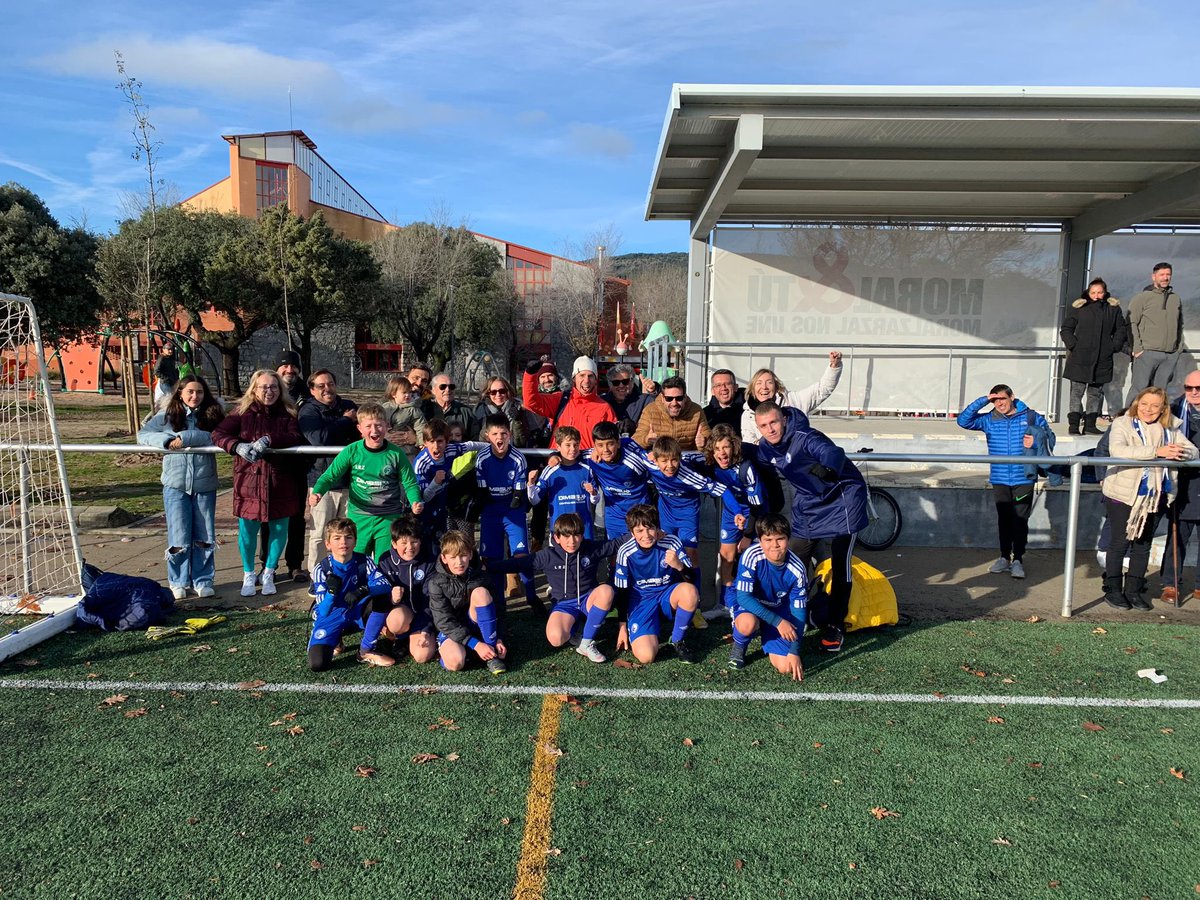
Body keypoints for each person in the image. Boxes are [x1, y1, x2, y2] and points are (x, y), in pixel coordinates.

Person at [754, 401, 867, 654]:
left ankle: (835, 625)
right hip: (809, 502)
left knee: (840, 561)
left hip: (843, 496)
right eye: (763, 425)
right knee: (791, 556)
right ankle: (786, 613)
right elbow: (754, 460)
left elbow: (832, 452)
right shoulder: (765, 448)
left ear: (783, 419)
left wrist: (828, 468)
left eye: (773, 422)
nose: (770, 429)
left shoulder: (805, 437)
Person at [212, 369, 308, 598]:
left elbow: (295, 436)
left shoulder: (288, 413)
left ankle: (269, 571)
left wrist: (270, 440)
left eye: (273, 387)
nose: (269, 391)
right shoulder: (241, 412)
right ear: (254, 388)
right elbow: (218, 434)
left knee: (279, 528)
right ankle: (248, 572)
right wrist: (237, 446)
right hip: (249, 481)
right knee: (247, 530)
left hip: (280, 479)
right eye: (264, 387)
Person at [1102, 387, 1197, 610]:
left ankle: (1134, 592)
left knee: (1143, 545)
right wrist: (1158, 451)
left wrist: (1179, 452)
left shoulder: (1171, 426)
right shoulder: (1122, 423)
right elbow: (1118, 449)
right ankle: (1113, 590)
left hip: (1156, 495)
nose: (1148, 410)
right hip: (1123, 494)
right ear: (1137, 403)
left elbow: (1194, 451)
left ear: (1163, 408)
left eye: (1155, 405)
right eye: (1144, 404)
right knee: (1119, 542)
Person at [489, 513, 623, 663]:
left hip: (588, 599)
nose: (572, 541)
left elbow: (616, 544)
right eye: (566, 536)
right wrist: (487, 567)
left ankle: (586, 643)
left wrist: (643, 533)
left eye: (576, 535)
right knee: (556, 638)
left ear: (582, 535)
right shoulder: (548, 556)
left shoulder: (590, 548)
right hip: (564, 604)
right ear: (557, 537)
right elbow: (518, 564)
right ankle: (576, 627)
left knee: (606, 591)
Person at [137, 375, 225, 599]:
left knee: (205, 535)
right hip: (175, 485)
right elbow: (144, 435)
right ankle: (178, 580)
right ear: (180, 393)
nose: (195, 396)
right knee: (179, 536)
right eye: (191, 392)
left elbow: (219, 437)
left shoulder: (212, 415)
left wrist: (186, 437)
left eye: (200, 392)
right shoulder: (167, 416)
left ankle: (203, 579)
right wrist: (166, 441)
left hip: (204, 484)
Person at [309, 402, 424, 561]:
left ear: (387, 426)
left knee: (383, 561)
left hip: (388, 517)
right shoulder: (352, 451)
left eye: (378, 425)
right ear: (360, 429)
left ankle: (381, 586)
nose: (374, 430)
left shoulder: (396, 454)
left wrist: (415, 501)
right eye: (369, 426)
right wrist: (317, 491)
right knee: (357, 559)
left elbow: (410, 482)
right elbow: (330, 476)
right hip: (359, 516)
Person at [956, 384, 1049, 581]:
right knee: (1004, 520)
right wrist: (983, 400)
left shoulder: (1030, 416)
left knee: (1020, 521)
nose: (999, 404)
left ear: (1012, 397)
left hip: (1024, 477)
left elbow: (1048, 436)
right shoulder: (989, 420)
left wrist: (1035, 442)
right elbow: (963, 421)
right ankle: (1004, 557)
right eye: (995, 401)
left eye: (1003, 399)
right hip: (999, 478)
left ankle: (1018, 560)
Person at [613, 504, 701, 665]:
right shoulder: (625, 552)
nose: (646, 535)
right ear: (632, 533)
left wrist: (679, 565)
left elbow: (692, 579)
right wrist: (622, 627)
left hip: (666, 596)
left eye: (650, 528)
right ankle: (650, 629)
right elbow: (621, 592)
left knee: (690, 592)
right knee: (646, 657)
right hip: (641, 602)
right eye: (639, 531)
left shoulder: (671, 542)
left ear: (657, 528)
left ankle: (677, 640)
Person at [474, 413, 543, 617]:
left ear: (510, 434)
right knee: (491, 558)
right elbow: (482, 492)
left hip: (513, 511)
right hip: (491, 511)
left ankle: (531, 596)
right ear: (487, 436)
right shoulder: (483, 458)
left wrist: (513, 505)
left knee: (521, 555)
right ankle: (499, 601)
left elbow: (517, 495)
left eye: (503, 433)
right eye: (495, 433)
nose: (500, 438)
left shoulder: (518, 458)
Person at [307, 518, 396, 670]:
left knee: (382, 599)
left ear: (355, 542)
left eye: (348, 537)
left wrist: (363, 590)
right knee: (318, 664)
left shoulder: (364, 561)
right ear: (328, 544)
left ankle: (366, 651)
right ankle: (336, 639)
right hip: (332, 615)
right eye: (337, 538)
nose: (343, 542)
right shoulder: (322, 569)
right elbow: (323, 610)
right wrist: (332, 592)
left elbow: (385, 585)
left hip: (356, 610)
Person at [728, 515, 808, 677]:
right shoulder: (752, 556)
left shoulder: (797, 570)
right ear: (760, 540)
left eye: (780, 539)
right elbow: (743, 597)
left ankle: (768, 634)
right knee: (747, 624)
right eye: (768, 539)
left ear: (788, 539)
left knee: (786, 667)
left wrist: (794, 650)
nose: (775, 545)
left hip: (778, 609)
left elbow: (799, 613)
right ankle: (739, 645)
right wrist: (777, 622)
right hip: (751, 605)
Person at [298, 369, 359, 574]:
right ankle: (317, 577)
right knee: (320, 533)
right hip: (321, 480)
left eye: (330, 384)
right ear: (312, 389)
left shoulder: (348, 406)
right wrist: (344, 421)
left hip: (350, 482)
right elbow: (319, 438)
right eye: (321, 386)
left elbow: (358, 436)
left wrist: (339, 425)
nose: (327, 389)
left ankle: (344, 574)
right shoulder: (308, 411)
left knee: (347, 533)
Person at [704, 424, 771, 607]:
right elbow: (724, 491)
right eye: (717, 448)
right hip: (732, 512)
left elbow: (757, 506)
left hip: (756, 513)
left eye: (725, 447)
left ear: (734, 446)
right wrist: (737, 512)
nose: (722, 453)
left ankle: (759, 602)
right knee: (726, 556)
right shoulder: (712, 465)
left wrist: (748, 534)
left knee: (755, 557)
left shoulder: (746, 468)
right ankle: (727, 603)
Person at [426, 530, 507, 674]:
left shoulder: (482, 576)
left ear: (470, 554)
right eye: (453, 557)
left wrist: (499, 637)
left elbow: (499, 608)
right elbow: (443, 621)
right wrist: (474, 644)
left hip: (476, 625)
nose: (459, 562)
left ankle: (491, 653)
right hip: (452, 631)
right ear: (444, 558)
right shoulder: (436, 583)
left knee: (480, 593)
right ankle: (461, 651)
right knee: (455, 663)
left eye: (463, 555)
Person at [264, 348, 310, 583]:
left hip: (297, 466)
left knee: (296, 516)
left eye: (293, 366)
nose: (289, 370)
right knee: (267, 515)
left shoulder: (307, 393)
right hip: (269, 465)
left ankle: (295, 564)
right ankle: (265, 565)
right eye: (284, 366)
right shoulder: (267, 391)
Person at [1060, 278, 1127, 436]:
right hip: (1080, 357)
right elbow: (1066, 328)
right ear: (1088, 293)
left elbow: (1121, 329)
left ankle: (1090, 425)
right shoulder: (1080, 308)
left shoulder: (1113, 309)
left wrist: (1114, 346)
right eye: (1093, 292)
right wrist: (1073, 345)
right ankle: (1074, 425)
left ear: (1105, 293)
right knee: (1077, 392)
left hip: (1102, 357)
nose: (1096, 295)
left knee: (1095, 393)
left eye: (1099, 292)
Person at [374, 517, 438, 664]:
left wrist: (425, 629)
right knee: (397, 621)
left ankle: (423, 635)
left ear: (420, 541)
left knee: (422, 656)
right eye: (404, 543)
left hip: (424, 615)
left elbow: (431, 601)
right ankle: (400, 638)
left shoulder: (430, 561)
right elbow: (377, 595)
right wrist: (391, 599)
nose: (409, 547)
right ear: (394, 543)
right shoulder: (385, 561)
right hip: (402, 614)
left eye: (414, 541)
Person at [741, 352, 843, 442]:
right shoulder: (747, 414)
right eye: (759, 383)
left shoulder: (794, 400)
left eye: (769, 383)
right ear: (753, 388)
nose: (764, 387)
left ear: (776, 387)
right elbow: (749, 441)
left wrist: (834, 366)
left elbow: (822, 389)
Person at [412, 420, 488, 542]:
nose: (436, 446)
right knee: (428, 545)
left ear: (447, 441)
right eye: (431, 442)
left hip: (442, 507)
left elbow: (471, 445)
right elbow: (424, 498)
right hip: (426, 513)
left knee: (445, 543)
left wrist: (493, 447)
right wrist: (435, 482)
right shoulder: (421, 464)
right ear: (425, 442)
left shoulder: (451, 449)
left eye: (440, 441)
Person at [1161, 371, 1200, 604]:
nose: (1194, 392)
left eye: (1199, 388)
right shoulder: (1173, 410)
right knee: (1177, 537)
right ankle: (1170, 583)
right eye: (1189, 387)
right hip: (1182, 482)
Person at [521, 355, 617, 450]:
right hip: (561, 461)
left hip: (590, 463)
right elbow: (531, 402)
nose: (586, 380)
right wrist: (530, 375)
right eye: (581, 376)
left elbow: (611, 440)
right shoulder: (561, 399)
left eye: (590, 376)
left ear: (596, 380)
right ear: (574, 379)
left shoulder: (604, 408)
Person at [583, 421, 654, 539]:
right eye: (600, 445)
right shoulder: (592, 458)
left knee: (641, 554)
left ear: (618, 443)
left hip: (640, 514)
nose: (605, 449)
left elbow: (656, 472)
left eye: (610, 444)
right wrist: (554, 455)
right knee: (614, 553)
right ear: (594, 446)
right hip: (614, 516)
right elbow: (570, 456)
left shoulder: (634, 460)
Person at [528, 426, 599, 538]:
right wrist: (531, 484)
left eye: (576, 445)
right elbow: (535, 500)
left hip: (584, 531)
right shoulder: (551, 470)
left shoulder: (586, 468)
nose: (573, 449)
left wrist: (593, 493)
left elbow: (595, 500)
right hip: (559, 532)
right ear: (558, 447)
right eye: (568, 445)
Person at [1128, 262, 1184, 398]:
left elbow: (1180, 324)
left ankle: (1157, 419)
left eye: (1168, 274)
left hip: (1170, 354)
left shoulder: (1175, 299)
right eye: (1162, 275)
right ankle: (1129, 418)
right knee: (1139, 390)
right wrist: (1137, 348)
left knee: (1160, 392)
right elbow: (1131, 323)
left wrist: (1178, 348)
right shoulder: (1142, 298)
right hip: (1147, 352)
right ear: (1154, 277)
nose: (1165, 278)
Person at [633, 376, 710, 450]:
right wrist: (646, 440)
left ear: (685, 397)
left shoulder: (696, 411)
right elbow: (635, 441)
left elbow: (711, 441)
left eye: (679, 398)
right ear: (662, 398)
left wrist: (704, 442)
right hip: (658, 460)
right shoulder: (650, 411)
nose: (674, 403)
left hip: (687, 459)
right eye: (669, 398)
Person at [472, 376, 545, 448]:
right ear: (488, 394)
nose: (498, 395)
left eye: (502, 391)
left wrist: (518, 421)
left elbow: (528, 438)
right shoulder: (480, 410)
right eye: (493, 392)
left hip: (518, 452)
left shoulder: (520, 407)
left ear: (508, 391)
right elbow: (478, 439)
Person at [601, 363, 657, 435]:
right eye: (616, 382)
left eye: (625, 382)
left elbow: (662, 406)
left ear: (632, 382)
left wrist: (654, 391)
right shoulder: (602, 402)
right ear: (610, 385)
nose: (621, 385)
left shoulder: (644, 400)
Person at [381, 374, 426, 458]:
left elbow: (421, 427)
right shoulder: (385, 407)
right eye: (404, 392)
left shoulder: (413, 409)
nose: (407, 395)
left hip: (407, 449)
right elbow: (377, 422)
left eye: (409, 392)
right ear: (394, 394)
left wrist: (422, 443)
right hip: (387, 448)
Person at [152, 343, 178, 408]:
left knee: (173, 397)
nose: (170, 351)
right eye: (168, 349)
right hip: (165, 382)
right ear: (163, 350)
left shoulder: (170, 358)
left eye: (171, 349)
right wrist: (166, 378)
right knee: (170, 398)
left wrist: (176, 378)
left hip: (172, 382)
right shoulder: (161, 359)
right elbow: (156, 371)